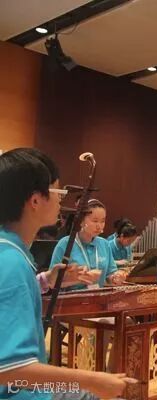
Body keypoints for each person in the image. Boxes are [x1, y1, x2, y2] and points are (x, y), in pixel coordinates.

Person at [0, 147, 133, 399]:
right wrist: (92, 380)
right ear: (35, 200)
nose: (62, 200)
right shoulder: (11, 261)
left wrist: (48, 280)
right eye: (58, 192)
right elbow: (9, 369)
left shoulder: (10, 250)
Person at [51, 199, 127, 291]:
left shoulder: (104, 244)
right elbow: (52, 280)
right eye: (95, 221)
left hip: (98, 297)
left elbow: (109, 274)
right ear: (81, 221)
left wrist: (116, 277)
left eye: (102, 221)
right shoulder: (65, 244)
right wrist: (79, 278)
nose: (99, 226)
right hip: (71, 297)